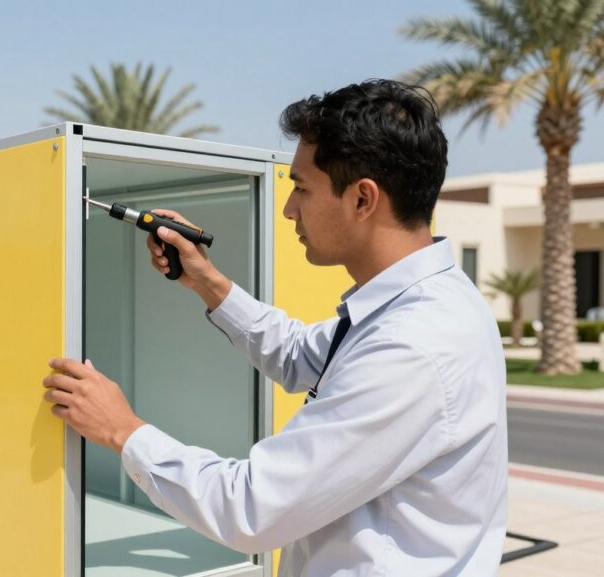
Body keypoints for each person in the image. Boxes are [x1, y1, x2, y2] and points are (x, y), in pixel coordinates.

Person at [43, 79, 508, 576]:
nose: (288, 209)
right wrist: (208, 282)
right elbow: (300, 355)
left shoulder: (414, 344)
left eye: (301, 188)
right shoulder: (421, 305)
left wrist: (123, 431)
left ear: (363, 199)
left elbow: (252, 508)